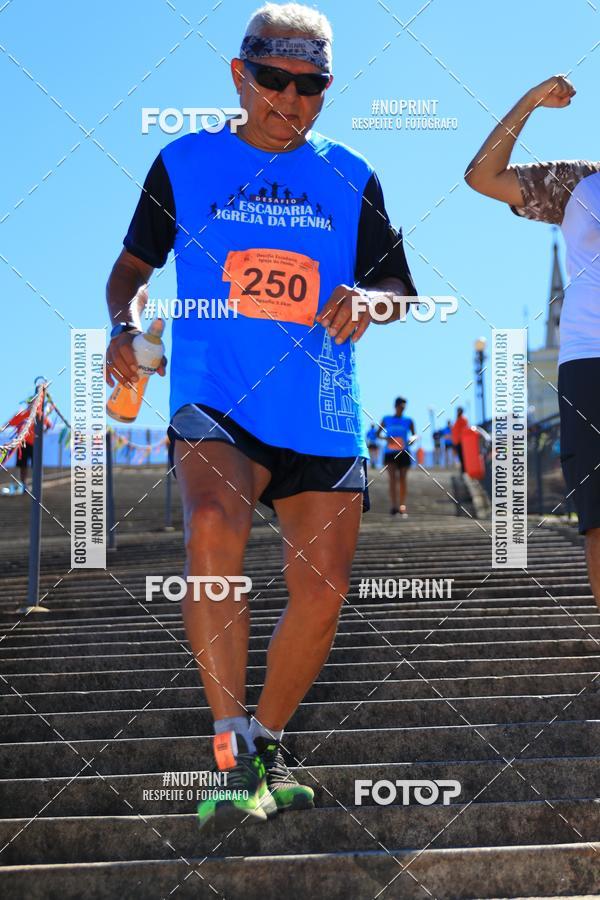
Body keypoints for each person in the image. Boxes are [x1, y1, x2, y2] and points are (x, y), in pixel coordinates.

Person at [105, 2, 417, 832]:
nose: (294, 99)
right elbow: (132, 267)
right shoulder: (183, 161)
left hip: (319, 409)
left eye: (312, 85)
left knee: (323, 590)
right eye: (276, 80)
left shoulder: (353, 174)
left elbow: (399, 293)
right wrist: (124, 324)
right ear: (240, 75)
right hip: (216, 394)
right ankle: (228, 743)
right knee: (212, 523)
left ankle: (268, 741)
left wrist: (369, 303)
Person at [464, 73, 600, 605]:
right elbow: (483, 175)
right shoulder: (577, 182)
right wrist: (530, 102)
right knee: (597, 516)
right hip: (588, 360)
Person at [379, 397, 415, 516]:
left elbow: (414, 435)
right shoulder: (386, 419)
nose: (402, 409)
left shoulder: (409, 420)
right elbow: (377, 434)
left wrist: (412, 439)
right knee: (392, 479)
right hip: (390, 452)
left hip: (404, 452)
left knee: (403, 479)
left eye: (404, 407)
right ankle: (394, 506)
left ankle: (402, 505)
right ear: (396, 406)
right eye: (400, 407)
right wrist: (387, 439)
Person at [8, 406, 52, 491]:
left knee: (35, 465)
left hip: (35, 445)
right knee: (22, 466)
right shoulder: (22, 414)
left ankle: (37, 485)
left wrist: (45, 430)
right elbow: (11, 423)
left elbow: (49, 425)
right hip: (22, 443)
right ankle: (24, 485)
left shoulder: (40, 414)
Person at [451, 407, 468, 473]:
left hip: (461, 441)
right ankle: (463, 470)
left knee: (462, 456)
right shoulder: (458, 419)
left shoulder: (463, 419)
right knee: (460, 456)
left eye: (458, 411)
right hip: (457, 441)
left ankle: (464, 470)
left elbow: (464, 429)